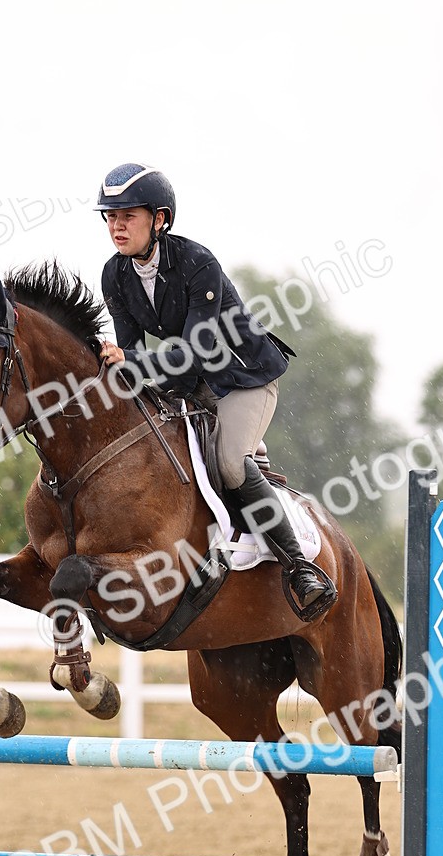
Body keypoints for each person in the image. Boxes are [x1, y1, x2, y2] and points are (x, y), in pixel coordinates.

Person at [95, 162, 335, 618]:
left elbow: (196, 347)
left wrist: (132, 362)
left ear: (160, 219)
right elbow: (129, 353)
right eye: (110, 216)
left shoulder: (195, 262)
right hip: (188, 382)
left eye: (128, 214)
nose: (117, 225)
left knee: (229, 464)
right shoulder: (115, 276)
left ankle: (300, 567)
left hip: (243, 378)